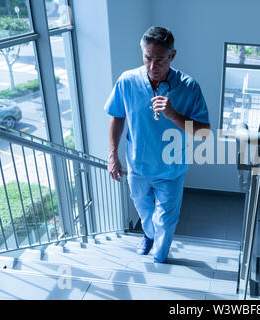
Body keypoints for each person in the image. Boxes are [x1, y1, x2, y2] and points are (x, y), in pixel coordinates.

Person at [104, 26, 210, 263]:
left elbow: (204, 133)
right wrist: (113, 155)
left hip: (171, 170)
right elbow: (117, 115)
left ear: (172, 56)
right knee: (144, 212)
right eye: (147, 58)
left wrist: (173, 115)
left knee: (166, 220)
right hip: (138, 167)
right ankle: (149, 235)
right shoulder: (127, 81)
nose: (152, 66)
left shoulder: (189, 87)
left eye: (160, 60)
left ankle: (160, 259)